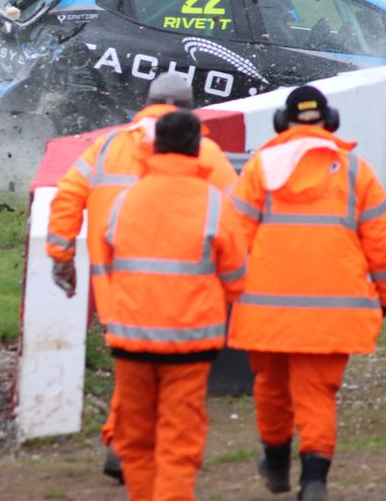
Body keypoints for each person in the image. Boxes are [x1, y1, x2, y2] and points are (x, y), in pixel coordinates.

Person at [45, 71, 237, 480]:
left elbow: (67, 196)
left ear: (146, 102)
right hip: (187, 292)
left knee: (133, 368)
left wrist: (61, 256)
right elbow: (236, 214)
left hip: (118, 282)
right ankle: (149, 455)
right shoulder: (204, 150)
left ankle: (124, 446)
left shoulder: (108, 145)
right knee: (175, 387)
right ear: (189, 110)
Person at [226, 85, 386, 501]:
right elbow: (382, 240)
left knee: (271, 387)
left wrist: (230, 293)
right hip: (333, 311)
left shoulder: (259, 169)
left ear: (282, 123)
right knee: (317, 394)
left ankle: (276, 463)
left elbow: (232, 238)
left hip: (265, 311)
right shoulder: (356, 171)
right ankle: (314, 481)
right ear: (331, 121)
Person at [99, 110, 247, 501]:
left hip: (131, 339)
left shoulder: (126, 199)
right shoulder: (215, 204)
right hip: (190, 341)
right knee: (179, 437)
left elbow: (110, 260)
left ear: (155, 147)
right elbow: (236, 276)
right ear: (198, 148)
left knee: (135, 437)